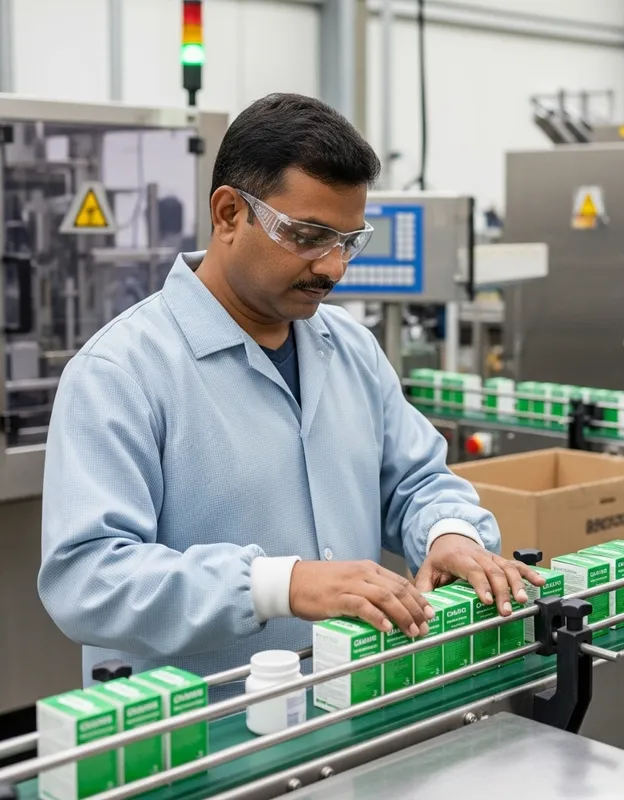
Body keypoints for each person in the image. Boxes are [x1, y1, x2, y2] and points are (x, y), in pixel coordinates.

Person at [39, 93, 541, 692]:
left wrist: (448, 533)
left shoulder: (350, 347)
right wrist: (280, 585)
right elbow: (87, 578)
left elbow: (417, 482)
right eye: (307, 235)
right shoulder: (121, 373)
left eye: (349, 241)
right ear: (229, 214)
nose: (332, 267)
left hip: (346, 710)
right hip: (194, 743)